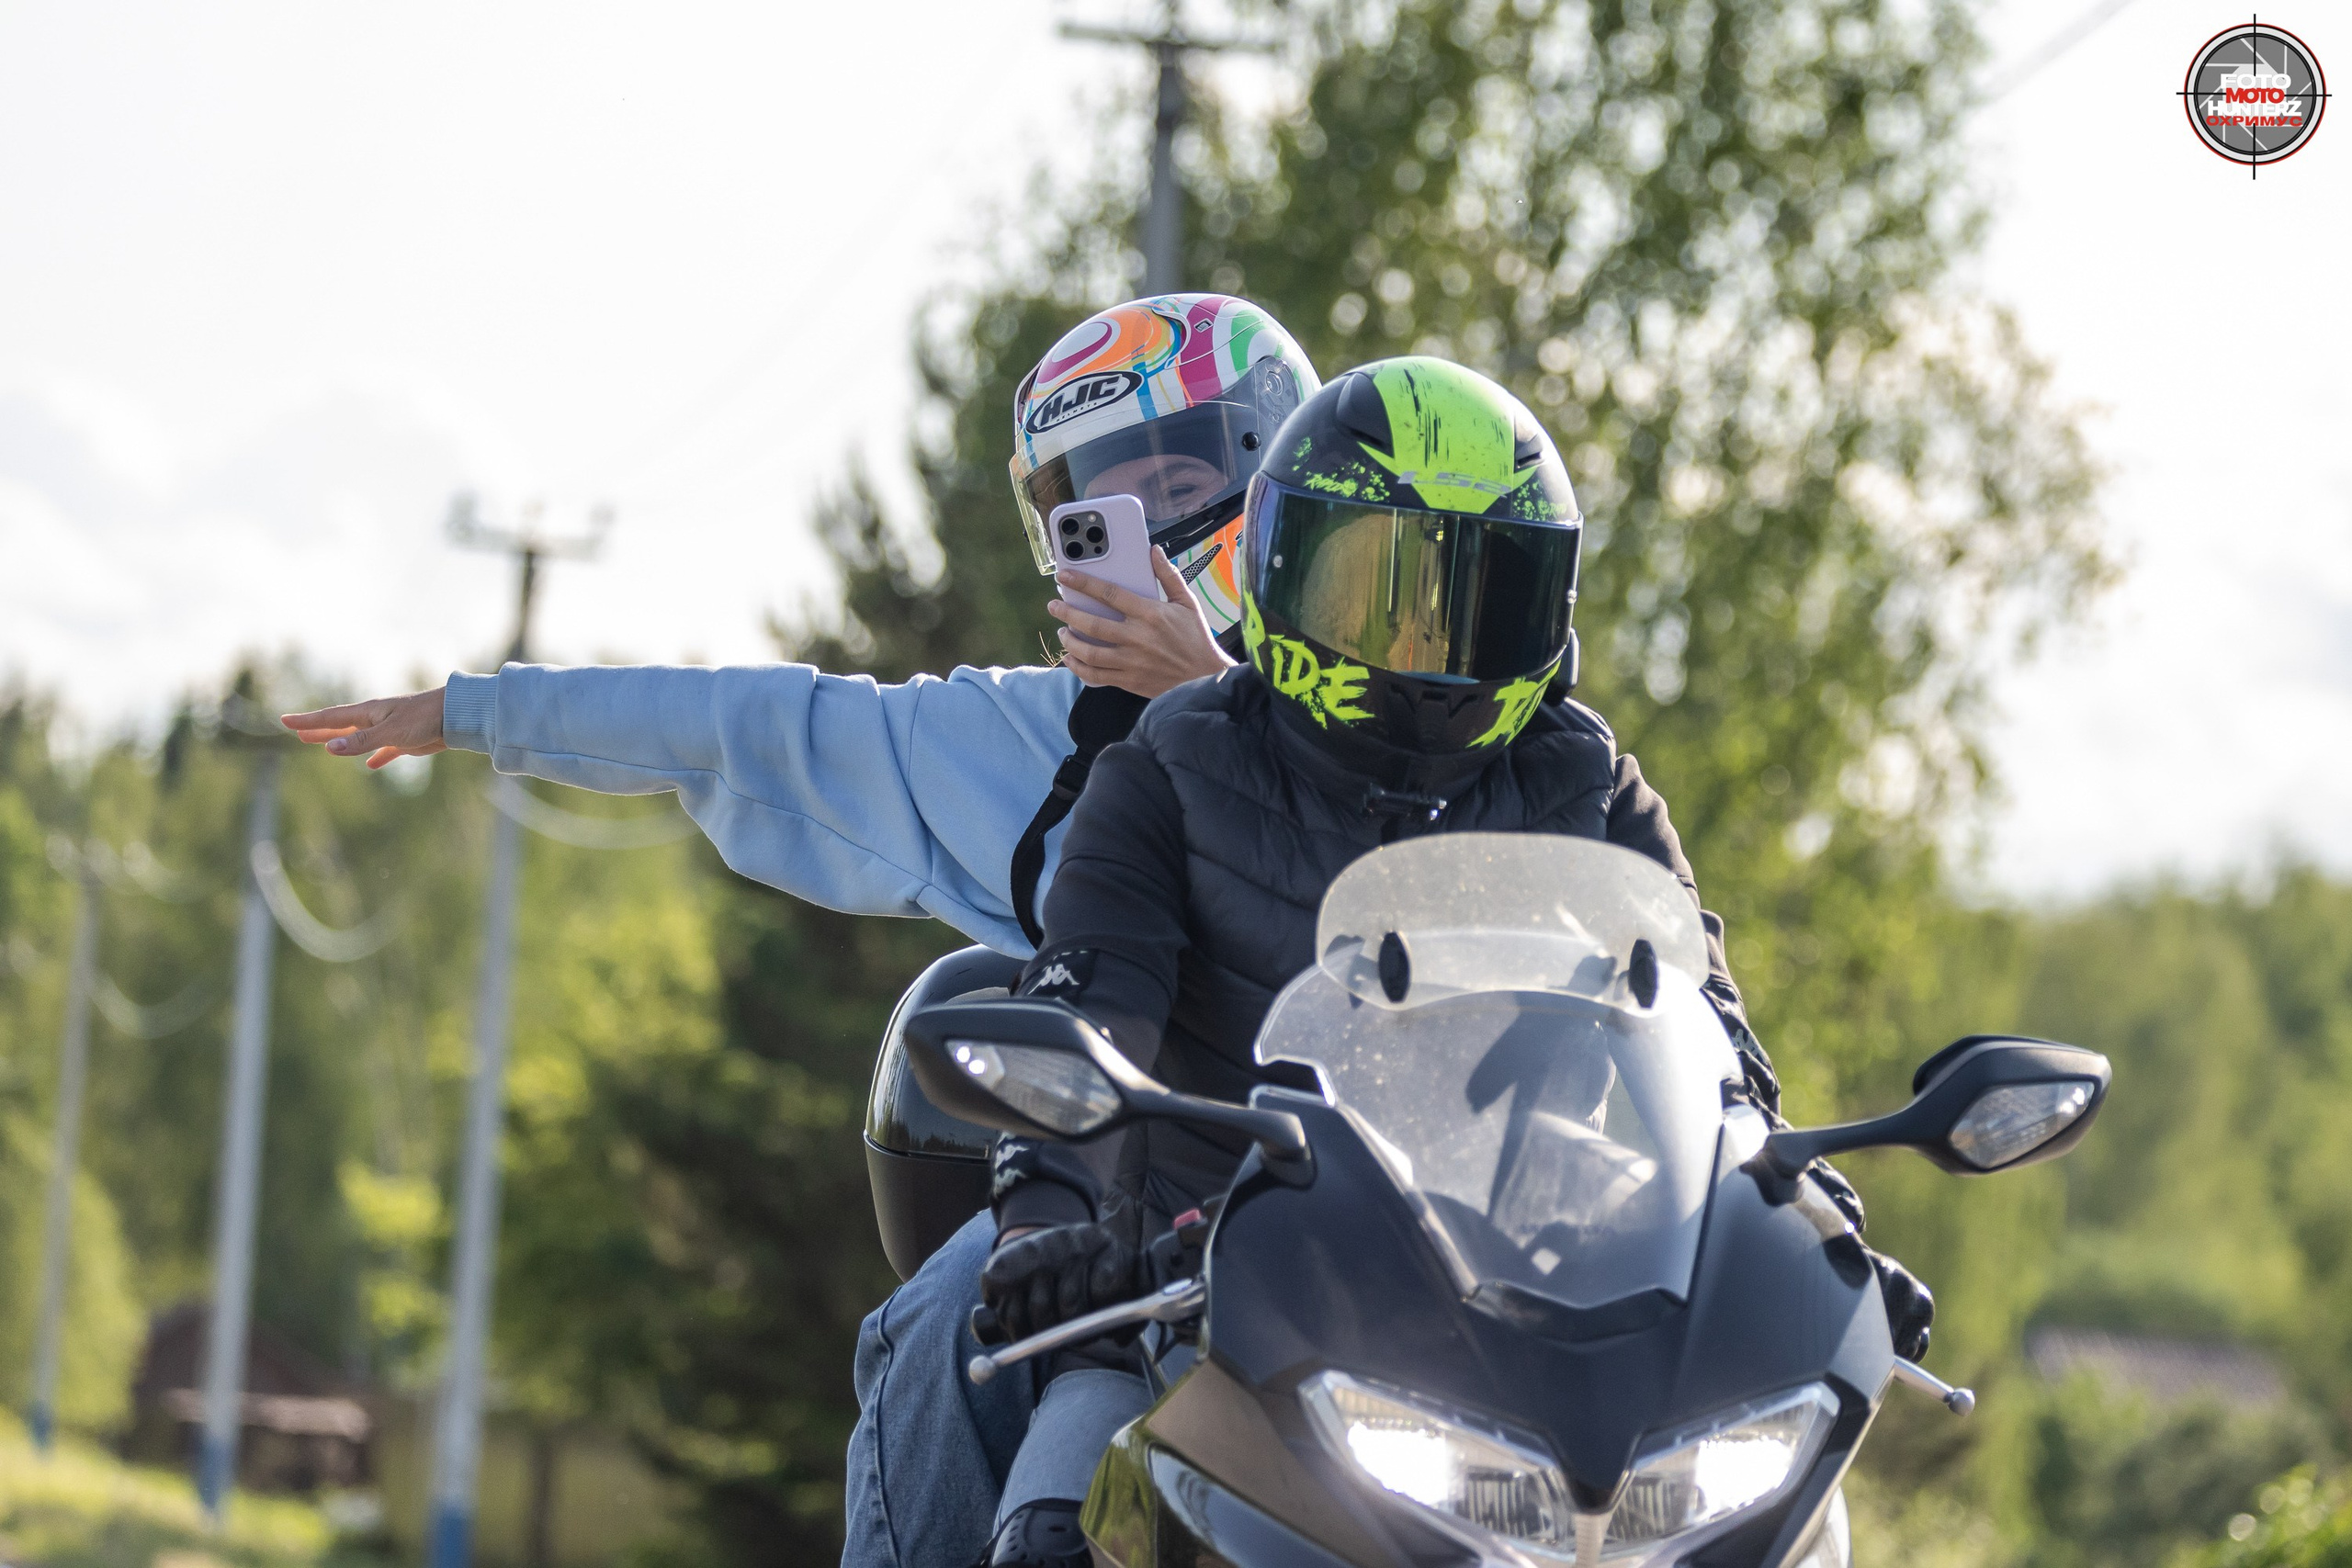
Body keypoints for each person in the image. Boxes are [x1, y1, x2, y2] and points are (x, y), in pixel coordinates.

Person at [278, 293, 1323, 1568]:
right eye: (1092, 504)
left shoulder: (1429, 707)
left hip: (1383, 1242)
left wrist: (1215, 700)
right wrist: (477, 710)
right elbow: (754, 722)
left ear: (1288, 475)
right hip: (1137, 1248)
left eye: (1178, 474)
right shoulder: (1035, 741)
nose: (1137, 528)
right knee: (948, 1319)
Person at [969, 357, 1935, 1567]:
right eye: (1379, 588)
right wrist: (1049, 1229)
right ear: (1280, 567)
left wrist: (1819, 1228)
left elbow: (1715, 1041)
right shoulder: (1166, 766)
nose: (1423, 643)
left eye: (1480, 595)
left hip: (1537, 1311)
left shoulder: (1584, 781)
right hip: (1210, 1285)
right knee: (1051, 1535)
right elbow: (1092, 1008)